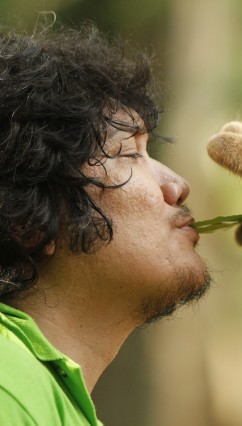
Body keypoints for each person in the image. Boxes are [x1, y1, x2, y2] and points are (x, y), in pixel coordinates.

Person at [0, 23, 211, 425]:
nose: (178, 186)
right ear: (26, 218)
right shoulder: (8, 385)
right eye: (130, 152)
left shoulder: (41, 394)